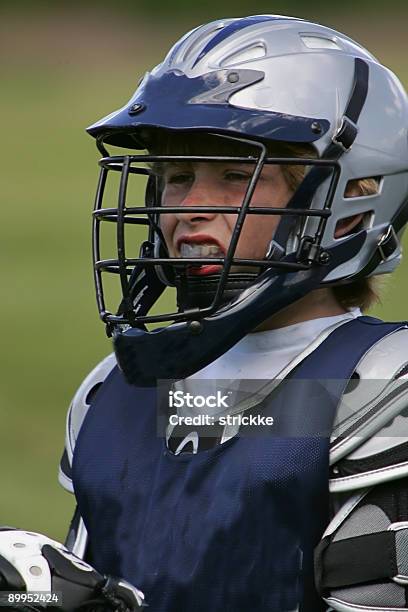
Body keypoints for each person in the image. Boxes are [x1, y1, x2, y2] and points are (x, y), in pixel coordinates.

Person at [2, 13, 408, 612]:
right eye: (176, 177)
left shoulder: (377, 386)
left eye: (236, 178)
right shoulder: (116, 393)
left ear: (350, 202)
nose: (190, 208)